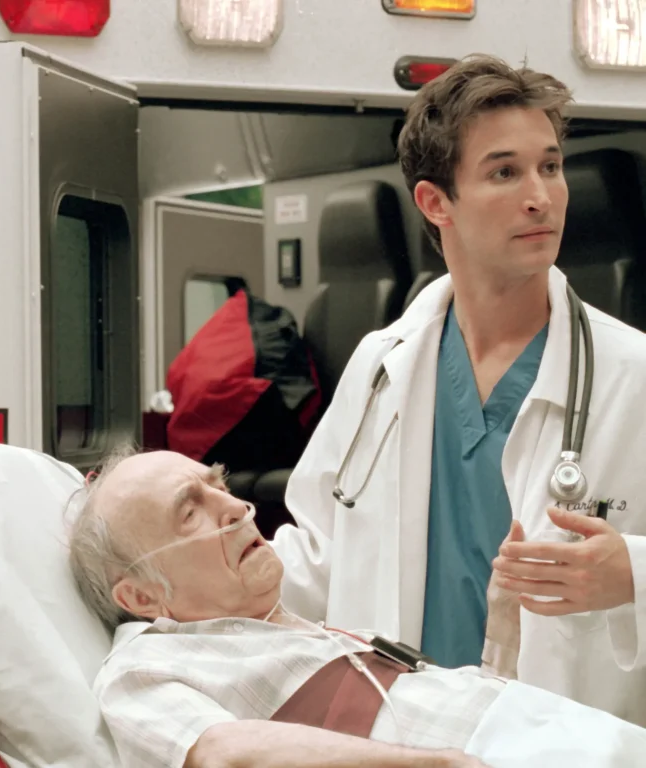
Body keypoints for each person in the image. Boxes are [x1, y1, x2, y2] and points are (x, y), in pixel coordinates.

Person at [274, 54, 646, 724]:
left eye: (551, 166)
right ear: (435, 202)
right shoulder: (380, 367)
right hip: (403, 735)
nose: (541, 196)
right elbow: (316, 558)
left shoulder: (632, 374)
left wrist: (633, 575)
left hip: (561, 742)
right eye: (505, 172)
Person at [68, 448, 646, 768]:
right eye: (190, 511)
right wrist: (440, 766)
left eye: (219, 485)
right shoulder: (143, 668)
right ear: (140, 596)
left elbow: (447, 715)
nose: (238, 507)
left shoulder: (305, 636)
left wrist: (502, 627)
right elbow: (226, 754)